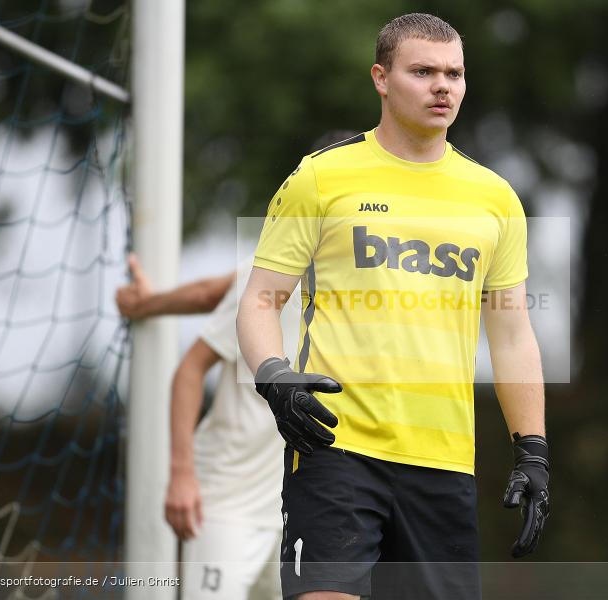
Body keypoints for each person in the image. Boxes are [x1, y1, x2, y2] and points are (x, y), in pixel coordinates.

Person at [237, 13, 548, 600]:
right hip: (336, 448)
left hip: (444, 461)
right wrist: (275, 378)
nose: (443, 86)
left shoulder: (495, 198)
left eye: (454, 73)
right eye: (423, 71)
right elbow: (259, 301)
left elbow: (511, 335)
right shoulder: (321, 178)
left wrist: (532, 449)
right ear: (381, 78)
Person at [117, 255, 286, 600]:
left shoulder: (362, 293)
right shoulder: (278, 278)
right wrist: (182, 475)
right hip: (228, 502)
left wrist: (148, 303)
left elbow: (210, 292)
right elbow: (190, 370)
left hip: (292, 507)